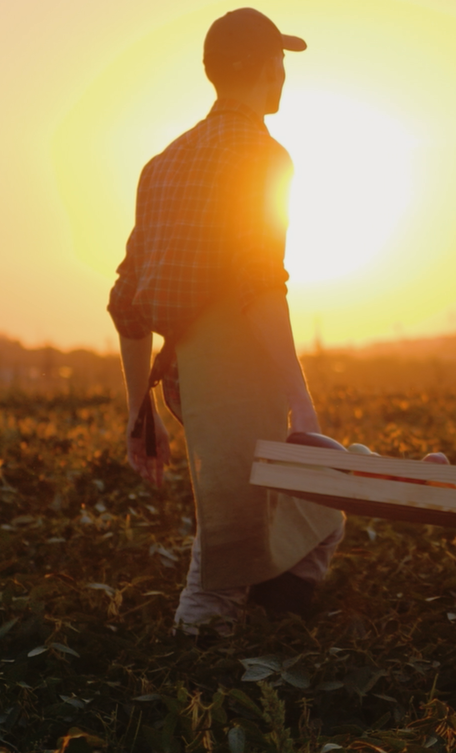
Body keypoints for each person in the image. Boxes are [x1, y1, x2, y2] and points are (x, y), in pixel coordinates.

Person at [107, 7, 344, 636]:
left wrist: (142, 414)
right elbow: (262, 285)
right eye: (280, 61)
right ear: (261, 68)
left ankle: (267, 624)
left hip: (185, 375)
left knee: (285, 504)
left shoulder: (162, 163)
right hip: (238, 372)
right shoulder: (263, 156)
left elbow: (127, 304)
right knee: (232, 541)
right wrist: (301, 398)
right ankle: (203, 663)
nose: (285, 74)